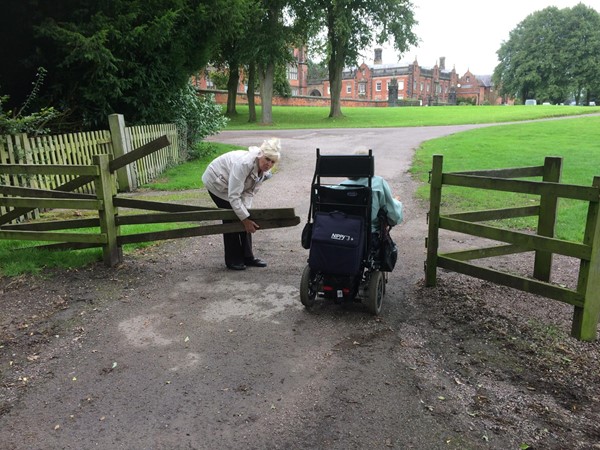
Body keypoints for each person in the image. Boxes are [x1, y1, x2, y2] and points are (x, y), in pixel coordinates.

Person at [202, 138, 281, 270]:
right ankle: (232, 260)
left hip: (231, 185)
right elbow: (234, 196)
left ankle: (248, 257)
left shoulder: (265, 172)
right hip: (216, 181)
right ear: (261, 154)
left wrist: (246, 216)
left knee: (244, 215)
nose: (268, 164)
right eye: (267, 159)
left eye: (272, 161)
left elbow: (249, 192)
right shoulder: (244, 164)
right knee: (230, 217)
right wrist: (244, 220)